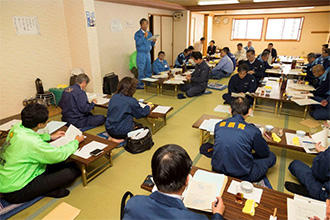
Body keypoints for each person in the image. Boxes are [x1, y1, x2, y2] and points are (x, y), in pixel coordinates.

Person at [0, 104, 84, 204]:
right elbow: (58, 155)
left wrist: (49, 137)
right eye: (47, 121)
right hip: (16, 190)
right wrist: (75, 142)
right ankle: (43, 190)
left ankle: (44, 188)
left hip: (10, 176)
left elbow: (31, 135)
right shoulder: (32, 142)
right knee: (71, 171)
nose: (48, 121)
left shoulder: (17, 127)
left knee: (62, 164)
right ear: (40, 125)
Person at [123, 144, 225, 220]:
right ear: (187, 180)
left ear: (153, 176)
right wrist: (217, 215)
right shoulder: (194, 218)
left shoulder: (133, 203)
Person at [211, 97, 276, 182]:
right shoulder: (253, 130)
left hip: (217, 170)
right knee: (271, 156)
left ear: (230, 110)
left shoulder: (218, 125)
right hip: (242, 176)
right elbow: (264, 153)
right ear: (249, 111)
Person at [134, 18, 156, 88]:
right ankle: (141, 84)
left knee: (148, 69)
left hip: (148, 53)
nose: (145, 26)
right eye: (143, 24)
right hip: (141, 53)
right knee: (141, 69)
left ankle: (148, 82)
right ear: (140, 25)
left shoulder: (149, 33)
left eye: (146, 24)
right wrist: (144, 37)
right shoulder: (137, 34)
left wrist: (154, 42)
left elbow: (150, 44)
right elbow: (138, 43)